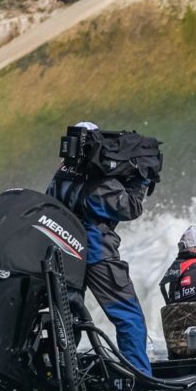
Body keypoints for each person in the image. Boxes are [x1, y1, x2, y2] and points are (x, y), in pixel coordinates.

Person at [46, 121, 153, 375]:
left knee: (67, 318)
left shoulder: (59, 175)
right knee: (129, 317)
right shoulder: (99, 183)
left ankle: (60, 372)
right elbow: (130, 208)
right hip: (96, 252)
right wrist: (142, 178)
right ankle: (138, 377)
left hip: (63, 253)